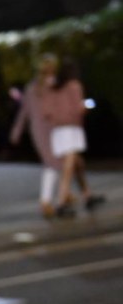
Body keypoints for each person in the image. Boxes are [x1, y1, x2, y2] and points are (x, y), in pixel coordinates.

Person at [41, 57, 105, 217]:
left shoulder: (51, 88)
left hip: (58, 131)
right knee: (69, 167)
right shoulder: (74, 86)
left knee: (78, 164)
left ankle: (87, 195)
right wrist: (86, 106)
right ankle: (61, 202)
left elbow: (46, 112)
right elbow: (78, 109)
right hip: (71, 129)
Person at [9, 52, 63, 218]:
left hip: (56, 128)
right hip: (40, 130)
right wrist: (16, 130)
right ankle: (47, 200)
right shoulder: (33, 88)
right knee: (52, 162)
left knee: (58, 162)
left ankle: (60, 194)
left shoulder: (55, 84)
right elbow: (24, 112)